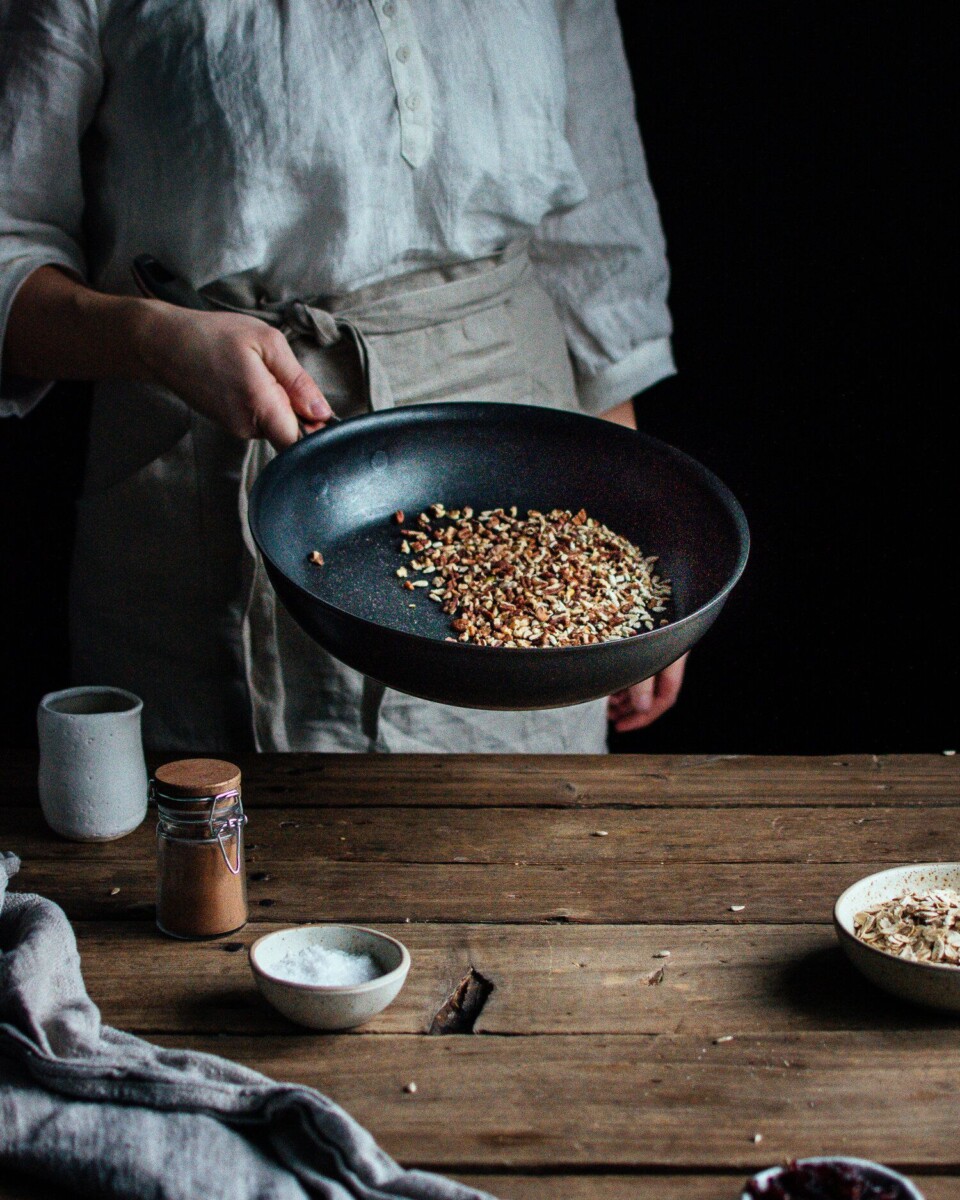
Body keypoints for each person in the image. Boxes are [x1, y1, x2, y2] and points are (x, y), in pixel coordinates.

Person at [0, 0, 687, 753]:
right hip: (198, 482)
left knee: (512, 850)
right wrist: (152, 338)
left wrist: (627, 556)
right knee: (211, 846)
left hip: (521, 476)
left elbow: (597, 253)